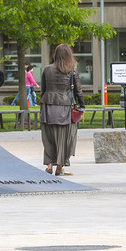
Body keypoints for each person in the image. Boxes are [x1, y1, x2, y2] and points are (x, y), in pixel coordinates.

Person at [41, 44, 84, 176]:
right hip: (64, 108)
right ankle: (59, 168)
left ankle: (49, 165)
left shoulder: (47, 69)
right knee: (64, 138)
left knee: (49, 137)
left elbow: (43, 89)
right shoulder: (72, 70)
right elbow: (78, 91)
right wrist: (81, 106)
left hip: (47, 106)